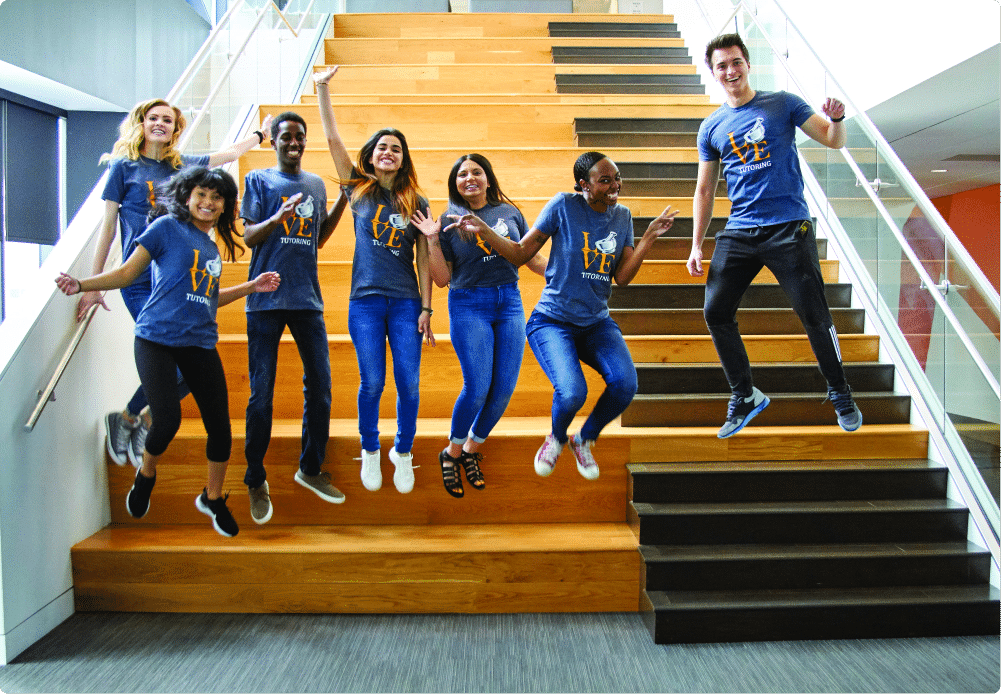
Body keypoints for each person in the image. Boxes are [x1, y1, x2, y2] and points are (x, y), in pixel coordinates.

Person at [56, 167, 281, 538]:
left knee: (221, 430)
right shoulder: (164, 229)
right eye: (202, 194)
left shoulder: (211, 248)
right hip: (156, 339)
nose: (208, 202)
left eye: (217, 197)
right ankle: (145, 475)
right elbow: (127, 274)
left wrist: (251, 287)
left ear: (225, 206)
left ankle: (212, 497)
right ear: (187, 196)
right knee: (168, 419)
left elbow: (207, 299)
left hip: (200, 343)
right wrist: (83, 284)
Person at [448, 152, 677, 479]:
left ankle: (583, 439)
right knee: (572, 392)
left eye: (617, 178)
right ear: (584, 185)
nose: (615, 186)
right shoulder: (563, 206)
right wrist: (485, 230)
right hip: (552, 322)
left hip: (596, 323)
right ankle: (554, 440)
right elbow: (520, 253)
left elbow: (622, 276)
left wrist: (649, 237)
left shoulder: (622, 216)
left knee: (625, 385)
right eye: (605, 180)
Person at [77, 98, 273, 468]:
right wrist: (93, 284)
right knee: (169, 364)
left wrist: (260, 134)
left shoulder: (182, 166)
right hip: (139, 281)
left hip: (178, 278)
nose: (160, 124)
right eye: (153, 118)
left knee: (187, 371)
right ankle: (139, 419)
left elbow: (228, 153)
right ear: (142, 123)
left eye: (167, 120)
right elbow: (107, 229)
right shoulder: (123, 168)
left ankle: (134, 417)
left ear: (175, 128)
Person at [686, 33, 863, 438]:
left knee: (814, 314)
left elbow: (832, 140)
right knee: (715, 312)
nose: (730, 71)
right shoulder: (711, 127)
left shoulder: (782, 103)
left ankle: (840, 392)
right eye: (722, 66)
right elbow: (704, 190)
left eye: (735, 62)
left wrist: (837, 119)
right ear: (714, 74)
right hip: (740, 231)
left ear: (747, 63)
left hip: (788, 227)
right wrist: (697, 243)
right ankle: (745, 395)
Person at [312, 67, 435, 494]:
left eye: (396, 149)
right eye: (382, 147)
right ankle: (369, 448)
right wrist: (323, 88)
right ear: (372, 154)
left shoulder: (415, 200)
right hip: (364, 301)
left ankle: (402, 451)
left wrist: (426, 307)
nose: (388, 152)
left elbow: (423, 257)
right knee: (373, 382)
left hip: (404, 303)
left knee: (409, 381)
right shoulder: (359, 189)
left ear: (404, 159)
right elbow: (332, 141)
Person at [410, 154, 547, 498]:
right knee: (478, 385)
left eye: (476, 172)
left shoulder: (509, 212)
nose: (469, 178)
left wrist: (568, 275)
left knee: (503, 389)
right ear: (454, 183)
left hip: (509, 302)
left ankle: (471, 449)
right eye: (462, 174)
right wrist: (430, 238)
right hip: (469, 303)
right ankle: (452, 452)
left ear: (488, 178)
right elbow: (441, 279)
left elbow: (530, 259)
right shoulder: (447, 222)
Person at [241, 111, 351, 524]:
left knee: (321, 386)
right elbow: (249, 236)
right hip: (265, 298)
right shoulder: (258, 181)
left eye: (300, 137)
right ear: (273, 140)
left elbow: (317, 238)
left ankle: (310, 468)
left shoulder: (316, 184)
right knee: (261, 395)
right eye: (286, 136)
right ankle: (255, 477)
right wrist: (278, 217)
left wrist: (342, 199)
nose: (294, 142)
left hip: (307, 299)